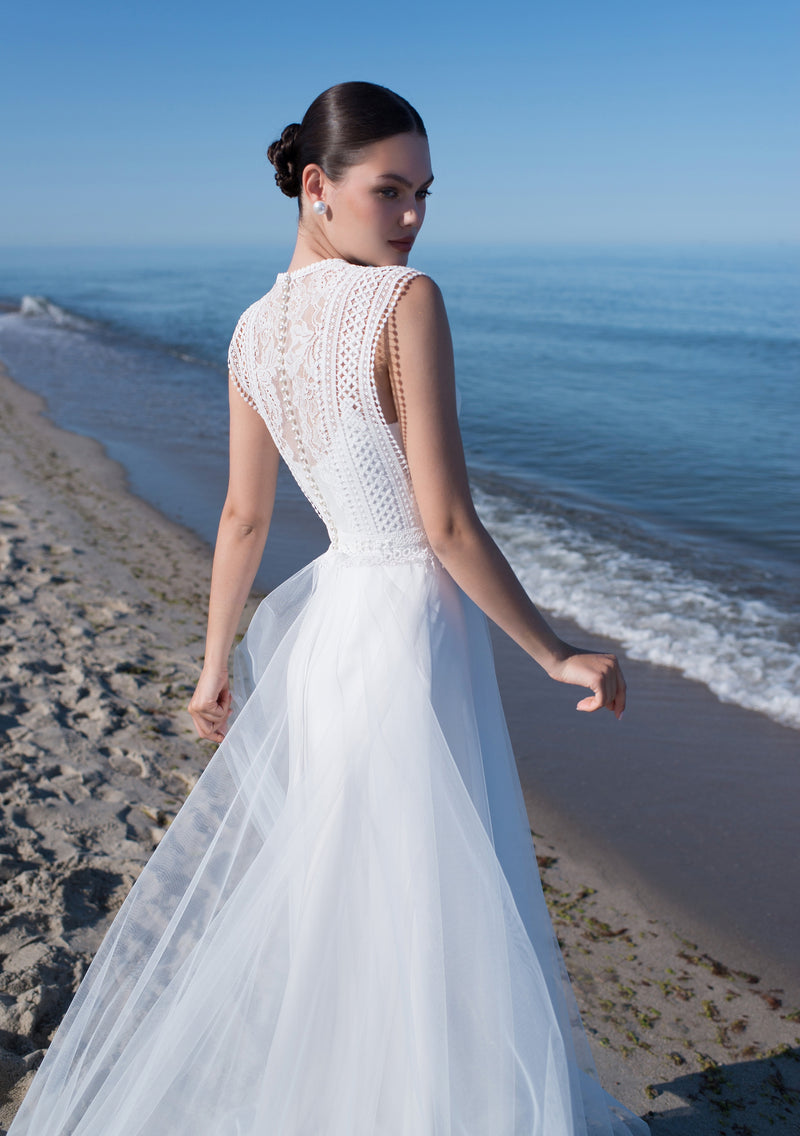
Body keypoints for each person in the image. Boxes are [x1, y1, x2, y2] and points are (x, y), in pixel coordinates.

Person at [8, 82, 649, 1134]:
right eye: (388, 191)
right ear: (317, 187)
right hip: (407, 625)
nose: (410, 218)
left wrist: (214, 663)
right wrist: (551, 652)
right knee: (427, 895)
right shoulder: (407, 302)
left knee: (353, 897)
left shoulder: (251, 332)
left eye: (423, 194)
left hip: (331, 635)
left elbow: (243, 517)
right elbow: (444, 524)